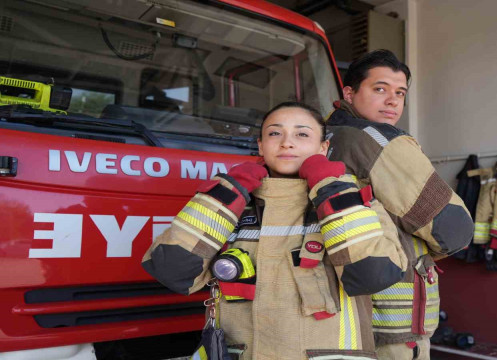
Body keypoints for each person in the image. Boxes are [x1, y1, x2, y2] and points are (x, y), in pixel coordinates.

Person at [142, 102, 408, 359]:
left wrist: (331, 188)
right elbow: (173, 271)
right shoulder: (233, 203)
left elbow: (372, 274)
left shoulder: (359, 200)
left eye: (302, 134)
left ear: (324, 147)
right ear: (260, 145)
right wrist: (225, 193)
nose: (286, 142)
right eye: (274, 133)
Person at [325, 50, 475, 360]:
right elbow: (453, 228)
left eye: (400, 93)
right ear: (349, 93)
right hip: (390, 319)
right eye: (380, 89)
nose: (393, 101)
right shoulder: (377, 141)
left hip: (330, 311)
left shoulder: (317, 137)